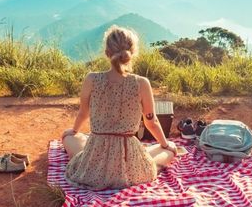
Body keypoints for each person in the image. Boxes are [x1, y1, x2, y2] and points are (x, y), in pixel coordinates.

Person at [61, 25, 178, 190]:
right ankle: (164, 151)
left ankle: (84, 154)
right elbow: (152, 122)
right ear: (132, 53)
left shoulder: (91, 79)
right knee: (167, 150)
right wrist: (166, 144)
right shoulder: (141, 83)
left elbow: (83, 113)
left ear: (107, 53)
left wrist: (73, 131)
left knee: (69, 138)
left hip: (96, 157)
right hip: (129, 161)